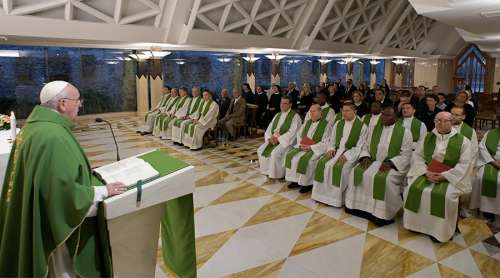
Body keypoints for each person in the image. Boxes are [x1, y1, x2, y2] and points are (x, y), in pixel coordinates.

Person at [0, 81, 127, 277]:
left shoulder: (37, 127)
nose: (80, 105)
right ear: (63, 104)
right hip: (54, 231)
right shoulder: (52, 136)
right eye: (78, 101)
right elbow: (61, 193)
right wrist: (102, 190)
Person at [403, 112, 473, 242]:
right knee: (411, 189)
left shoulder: (463, 141)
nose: (440, 123)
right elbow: (418, 156)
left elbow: (465, 164)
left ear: (452, 122)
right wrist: (425, 172)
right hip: (427, 172)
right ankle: (416, 225)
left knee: (445, 196)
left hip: (451, 177)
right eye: (437, 120)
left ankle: (438, 231)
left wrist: (444, 176)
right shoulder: (427, 137)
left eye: (444, 121)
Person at [345, 106, 412, 224]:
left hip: (392, 165)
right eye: (383, 115)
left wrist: (391, 163)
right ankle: (357, 207)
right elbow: (365, 145)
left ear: (396, 117)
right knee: (355, 171)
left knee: (383, 180)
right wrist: (365, 156)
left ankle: (381, 214)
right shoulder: (373, 129)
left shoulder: (405, 132)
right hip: (372, 161)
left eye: (388, 115)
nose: (384, 117)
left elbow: (406, 155)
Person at [312, 101, 367, 207]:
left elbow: (360, 146)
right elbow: (332, 139)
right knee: (322, 164)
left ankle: (335, 200)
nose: (344, 113)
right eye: (343, 110)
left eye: (347, 111)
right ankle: (321, 196)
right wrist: (331, 148)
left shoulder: (362, 126)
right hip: (336, 151)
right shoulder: (338, 123)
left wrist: (347, 155)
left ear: (355, 111)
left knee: (340, 169)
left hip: (350, 155)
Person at [285, 104, 332, 193]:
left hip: (315, 150)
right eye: (310, 111)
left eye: (314, 111)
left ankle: (307, 184)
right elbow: (299, 135)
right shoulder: (307, 122)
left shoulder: (326, 125)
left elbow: (326, 142)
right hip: (303, 147)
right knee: (292, 157)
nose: (311, 113)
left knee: (307, 161)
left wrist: (311, 147)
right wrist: (301, 144)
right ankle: (295, 180)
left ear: (320, 112)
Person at [257, 96, 302, 179]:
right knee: (260, 150)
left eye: (285, 103)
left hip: (287, 142)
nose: (282, 105)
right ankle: (267, 171)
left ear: (290, 105)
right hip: (274, 140)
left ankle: (277, 174)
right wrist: (269, 138)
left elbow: (293, 132)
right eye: (281, 103)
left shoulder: (295, 117)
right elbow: (269, 128)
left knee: (275, 153)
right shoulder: (277, 115)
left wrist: (278, 139)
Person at [470, 128, 500, 220]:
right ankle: (485, 209)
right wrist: (492, 161)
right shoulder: (490, 133)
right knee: (480, 177)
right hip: (491, 161)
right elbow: (482, 148)